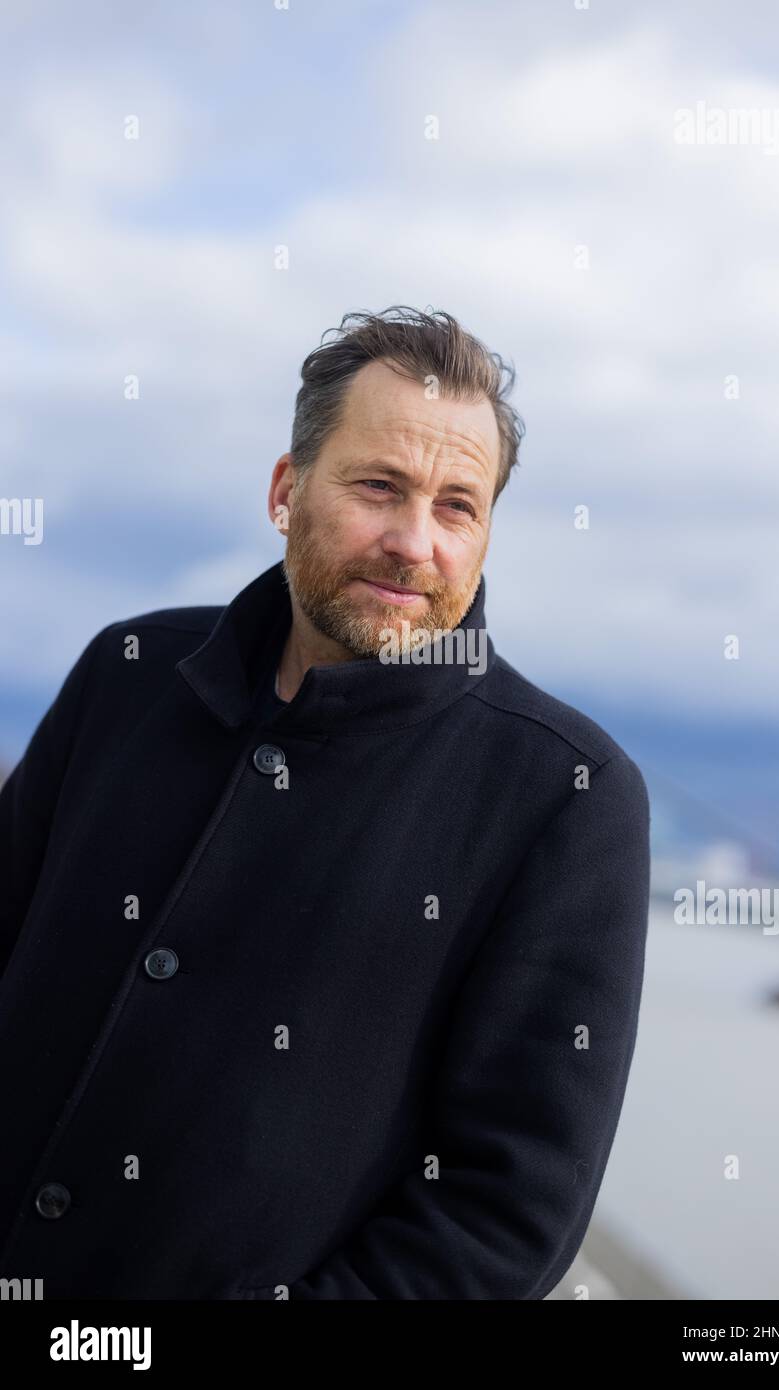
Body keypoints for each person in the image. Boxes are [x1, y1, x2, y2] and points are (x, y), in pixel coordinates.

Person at [0, 306, 650, 1300]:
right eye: (380, 487)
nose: (413, 543)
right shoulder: (127, 671)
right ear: (285, 489)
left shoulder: (569, 795)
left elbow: (505, 1212)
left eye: (457, 506)